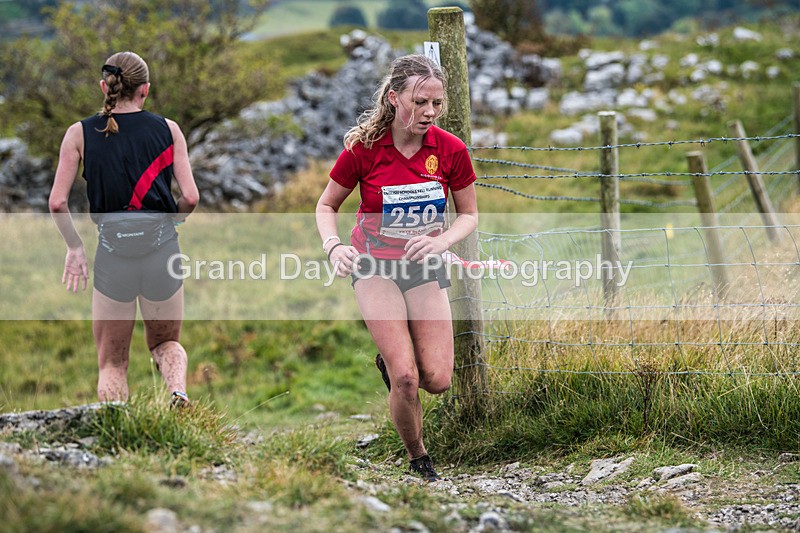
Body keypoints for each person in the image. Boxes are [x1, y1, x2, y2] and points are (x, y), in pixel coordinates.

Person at [316, 54, 478, 482]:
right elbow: (326, 205)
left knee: (438, 379)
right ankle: (418, 456)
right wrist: (333, 247)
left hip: (423, 268)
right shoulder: (364, 149)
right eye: (420, 102)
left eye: (437, 104)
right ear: (394, 98)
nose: (429, 112)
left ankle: (394, 367)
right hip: (373, 267)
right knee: (406, 378)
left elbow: (469, 215)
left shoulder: (450, 150)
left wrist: (441, 241)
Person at [49, 51, 200, 406]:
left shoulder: (79, 133)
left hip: (113, 256)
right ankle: (177, 391)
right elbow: (191, 197)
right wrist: (172, 223)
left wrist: (74, 248)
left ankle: (118, 427)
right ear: (145, 90)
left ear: (105, 86)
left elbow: (57, 203)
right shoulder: (169, 129)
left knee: (112, 362)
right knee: (165, 343)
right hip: (162, 251)